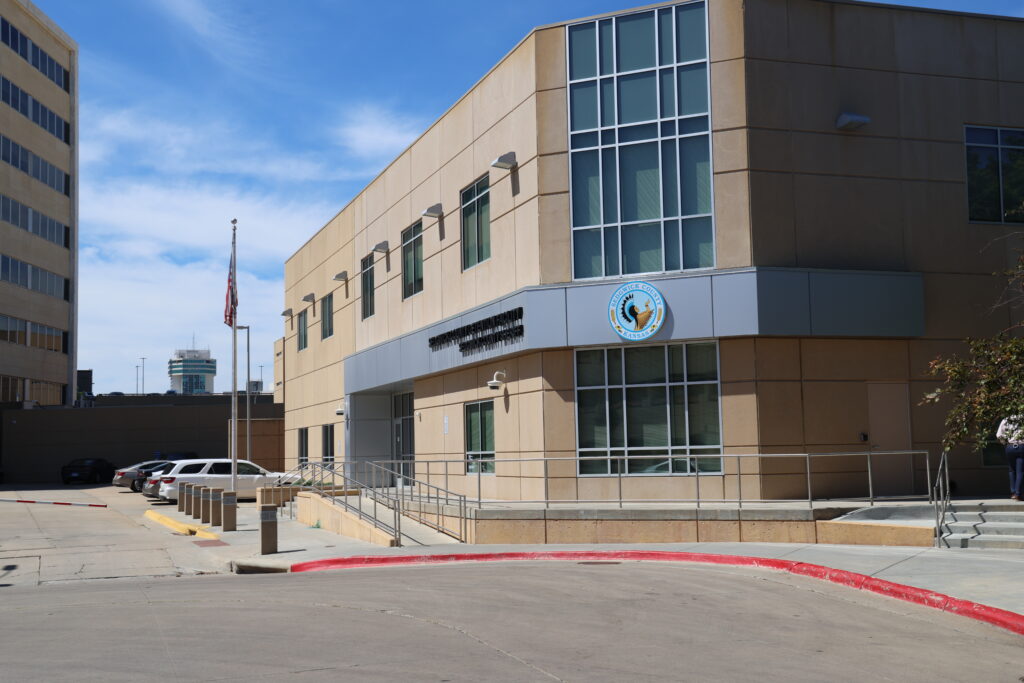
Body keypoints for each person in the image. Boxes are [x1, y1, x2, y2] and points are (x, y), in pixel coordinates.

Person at [996, 415, 1024, 501]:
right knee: (1020, 471)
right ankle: (1018, 494)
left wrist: (1006, 442)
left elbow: (999, 435)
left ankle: (1013, 492)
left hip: (1010, 447)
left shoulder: (1006, 419)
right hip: (1021, 446)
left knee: (1012, 470)